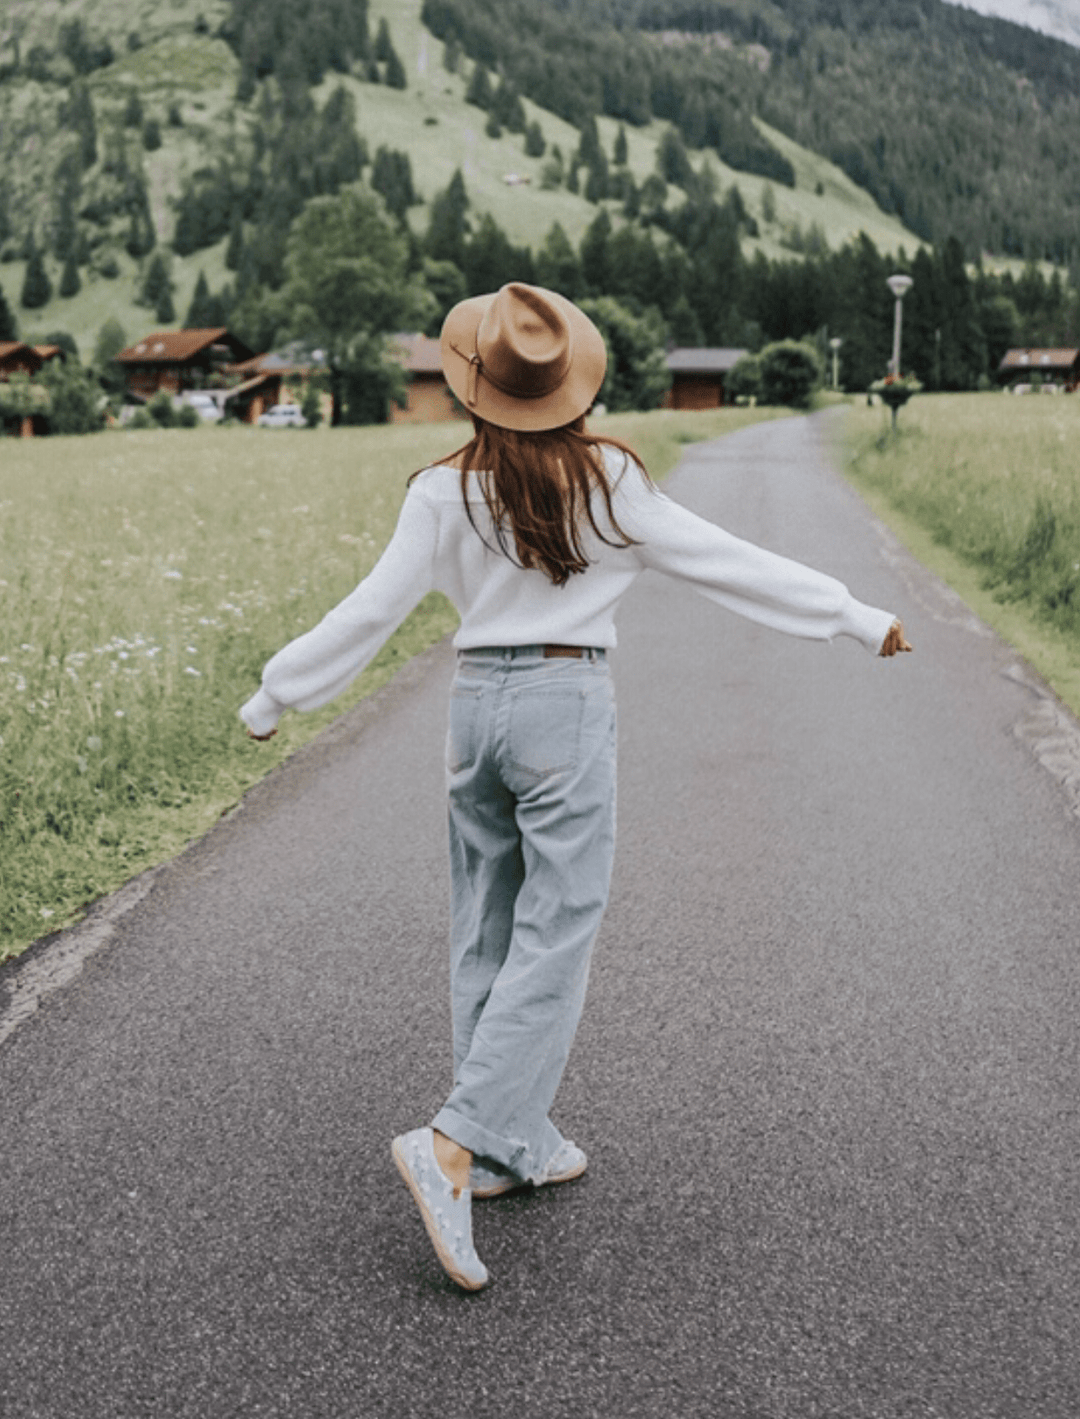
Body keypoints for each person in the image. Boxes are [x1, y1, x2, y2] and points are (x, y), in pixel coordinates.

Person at [241, 282, 912, 1291]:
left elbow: (367, 614)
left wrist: (274, 694)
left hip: (476, 709)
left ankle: (517, 1141)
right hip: (565, 701)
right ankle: (458, 1141)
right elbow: (728, 564)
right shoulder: (609, 479)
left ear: (474, 389)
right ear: (570, 388)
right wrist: (854, 614)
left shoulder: (438, 489)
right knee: (556, 928)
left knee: (487, 923)